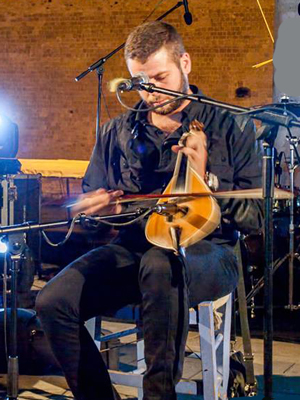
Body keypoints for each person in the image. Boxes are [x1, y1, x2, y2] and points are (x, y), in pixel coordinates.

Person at [36, 21, 263, 400]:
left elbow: (253, 218)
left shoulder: (231, 126)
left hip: (211, 253)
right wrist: (96, 209)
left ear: (185, 64)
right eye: (140, 83)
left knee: (161, 263)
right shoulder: (117, 132)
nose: (151, 93)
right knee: (52, 301)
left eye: (159, 78)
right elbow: (97, 204)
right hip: (132, 248)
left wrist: (206, 183)